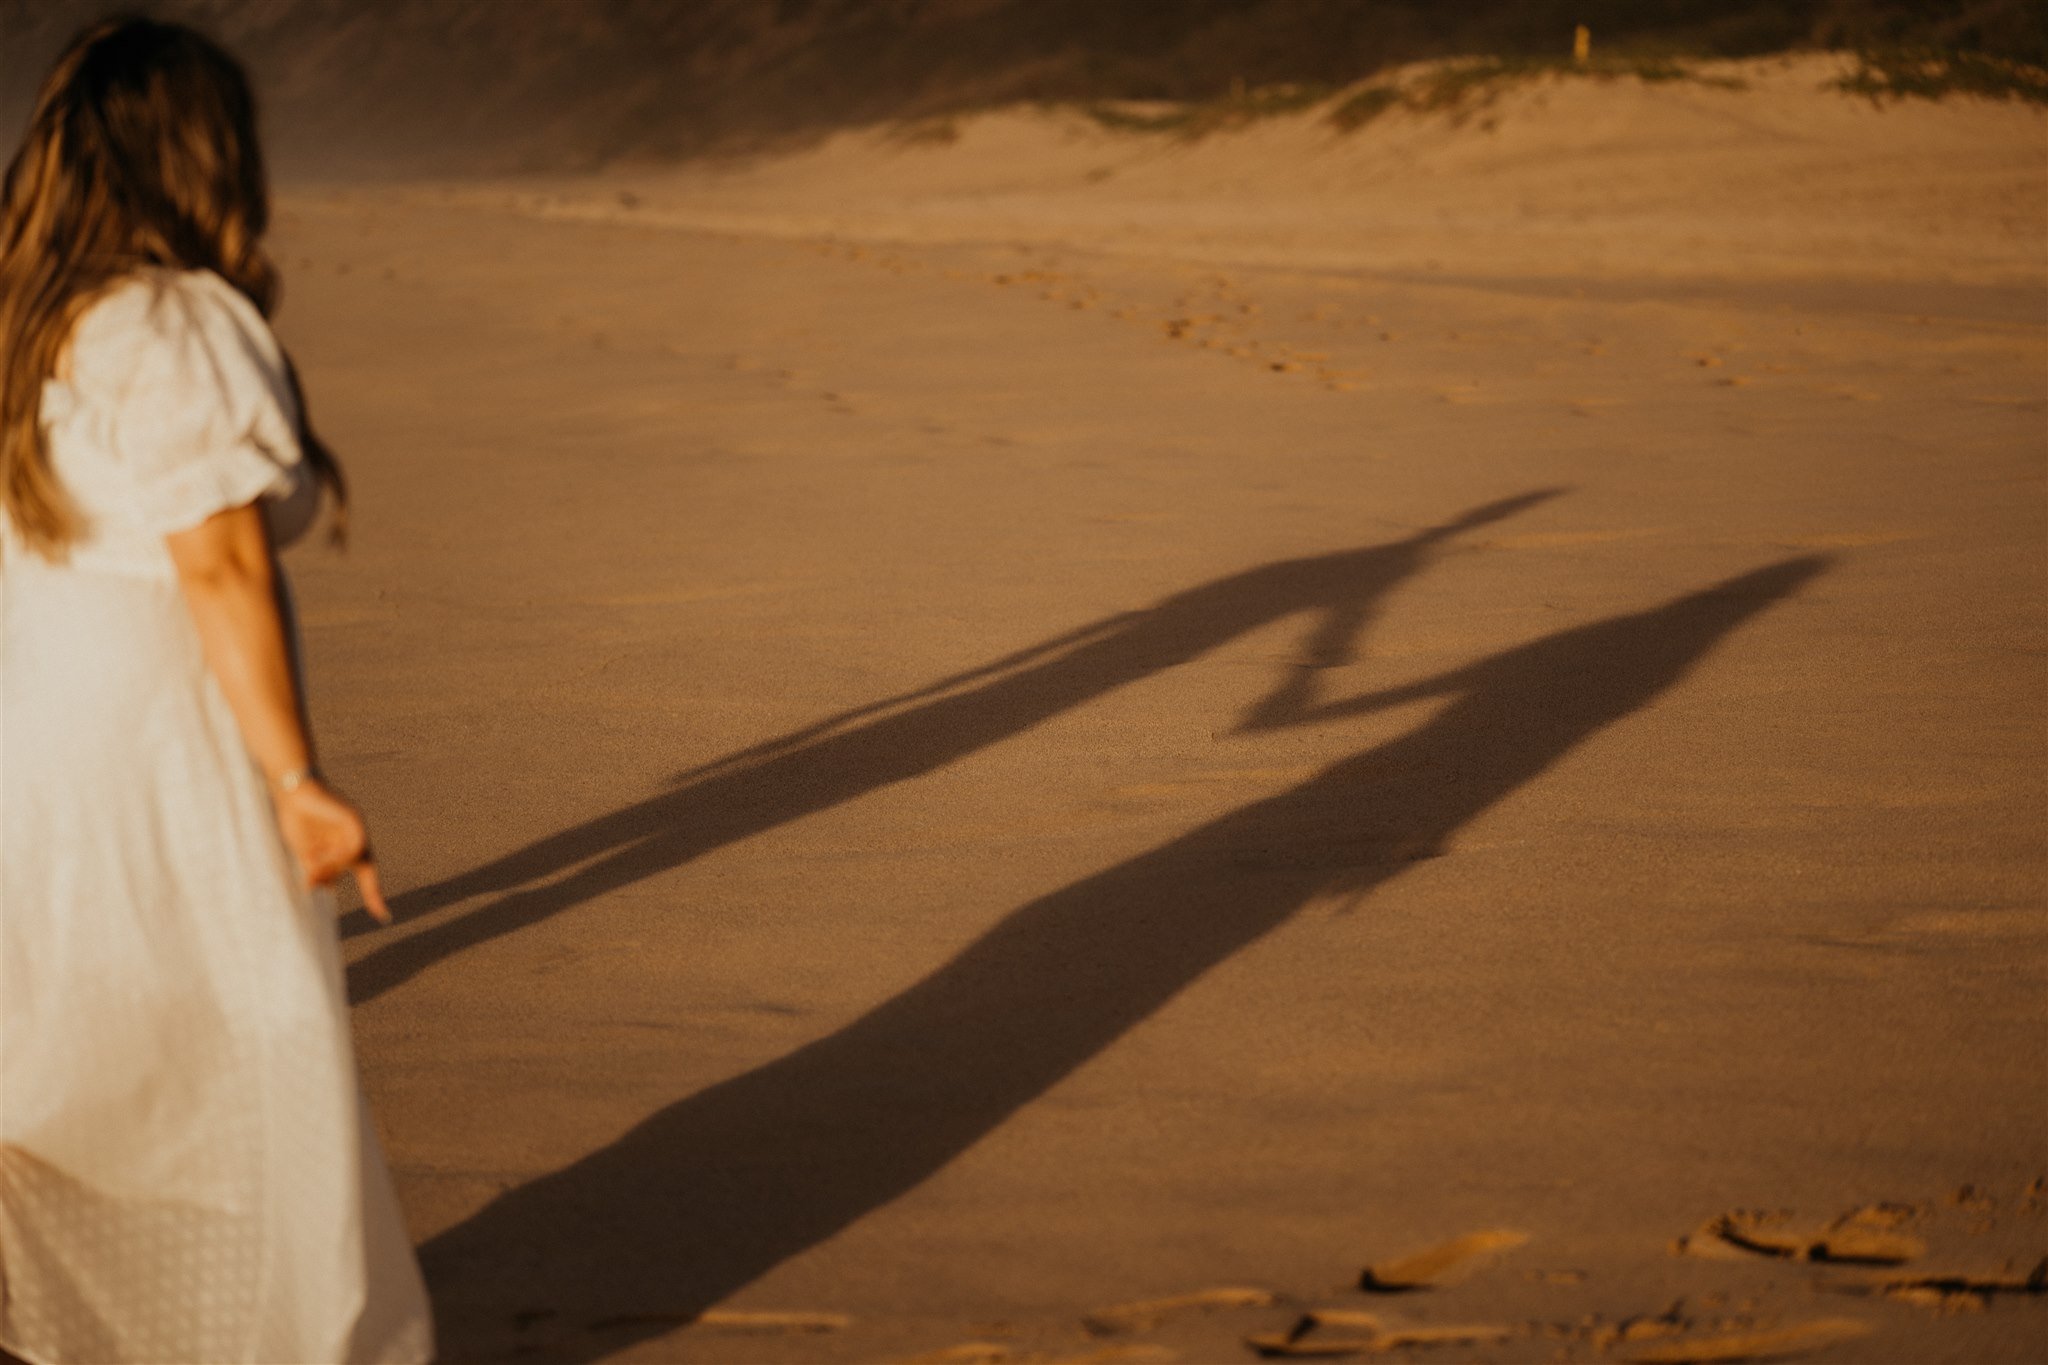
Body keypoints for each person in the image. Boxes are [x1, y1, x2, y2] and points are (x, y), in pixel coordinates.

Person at [0, 18, 433, 1363]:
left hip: (39, 734)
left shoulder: (36, 320)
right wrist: (298, 783)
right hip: (156, 749)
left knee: (84, 1052)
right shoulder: (175, 322)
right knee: (238, 1055)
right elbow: (226, 565)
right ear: (201, 154)